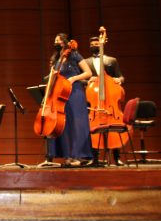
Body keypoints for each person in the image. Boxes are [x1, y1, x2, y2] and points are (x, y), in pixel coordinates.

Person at [45, 33, 93, 167]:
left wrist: (74, 78)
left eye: (58, 40)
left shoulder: (74, 55)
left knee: (76, 123)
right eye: (54, 40)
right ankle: (67, 155)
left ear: (65, 42)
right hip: (61, 93)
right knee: (64, 125)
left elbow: (88, 73)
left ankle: (78, 155)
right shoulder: (56, 59)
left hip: (75, 92)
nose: (55, 42)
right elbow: (52, 79)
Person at [86, 35, 126, 165]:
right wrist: (87, 80)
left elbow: (121, 76)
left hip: (109, 101)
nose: (94, 45)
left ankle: (117, 157)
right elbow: (79, 78)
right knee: (92, 127)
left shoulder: (111, 60)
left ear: (101, 44)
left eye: (97, 43)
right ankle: (95, 158)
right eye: (92, 44)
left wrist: (118, 80)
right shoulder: (86, 62)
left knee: (114, 125)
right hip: (95, 101)